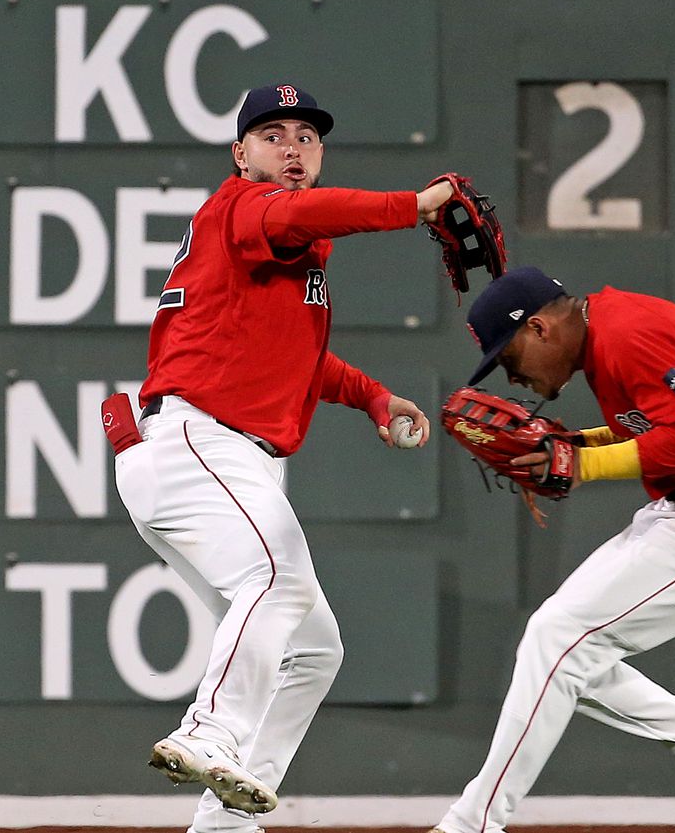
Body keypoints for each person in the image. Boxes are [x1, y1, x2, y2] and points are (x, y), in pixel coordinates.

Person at [113, 83, 454, 833]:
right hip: (199, 444)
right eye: (272, 134)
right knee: (273, 577)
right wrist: (414, 204)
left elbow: (294, 357)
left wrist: (370, 396)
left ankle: (224, 821)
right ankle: (207, 732)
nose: (292, 146)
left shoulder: (272, 253)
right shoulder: (245, 208)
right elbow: (302, 210)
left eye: (306, 134)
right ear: (241, 155)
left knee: (312, 648)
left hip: (197, 455)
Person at [432, 266, 675, 833]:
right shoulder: (612, 332)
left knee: (558, 639)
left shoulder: (626, 332)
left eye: (509, 359)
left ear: (539, 329)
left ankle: (471, 824)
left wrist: (583, 462)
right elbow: (663, 428)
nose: (514, 380)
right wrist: (580, 442)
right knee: (557, 647)